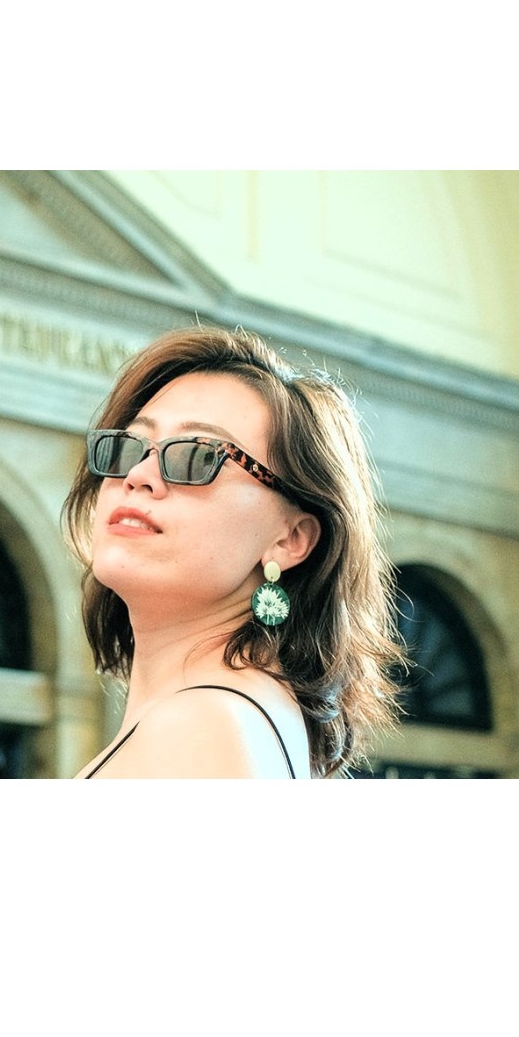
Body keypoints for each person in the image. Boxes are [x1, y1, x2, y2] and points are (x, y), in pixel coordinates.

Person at [62, 326, 403, 778]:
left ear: (290, 539)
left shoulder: (201, 726)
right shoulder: (234, 715)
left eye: (197, 456)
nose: (139, 475)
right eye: (129, 446)